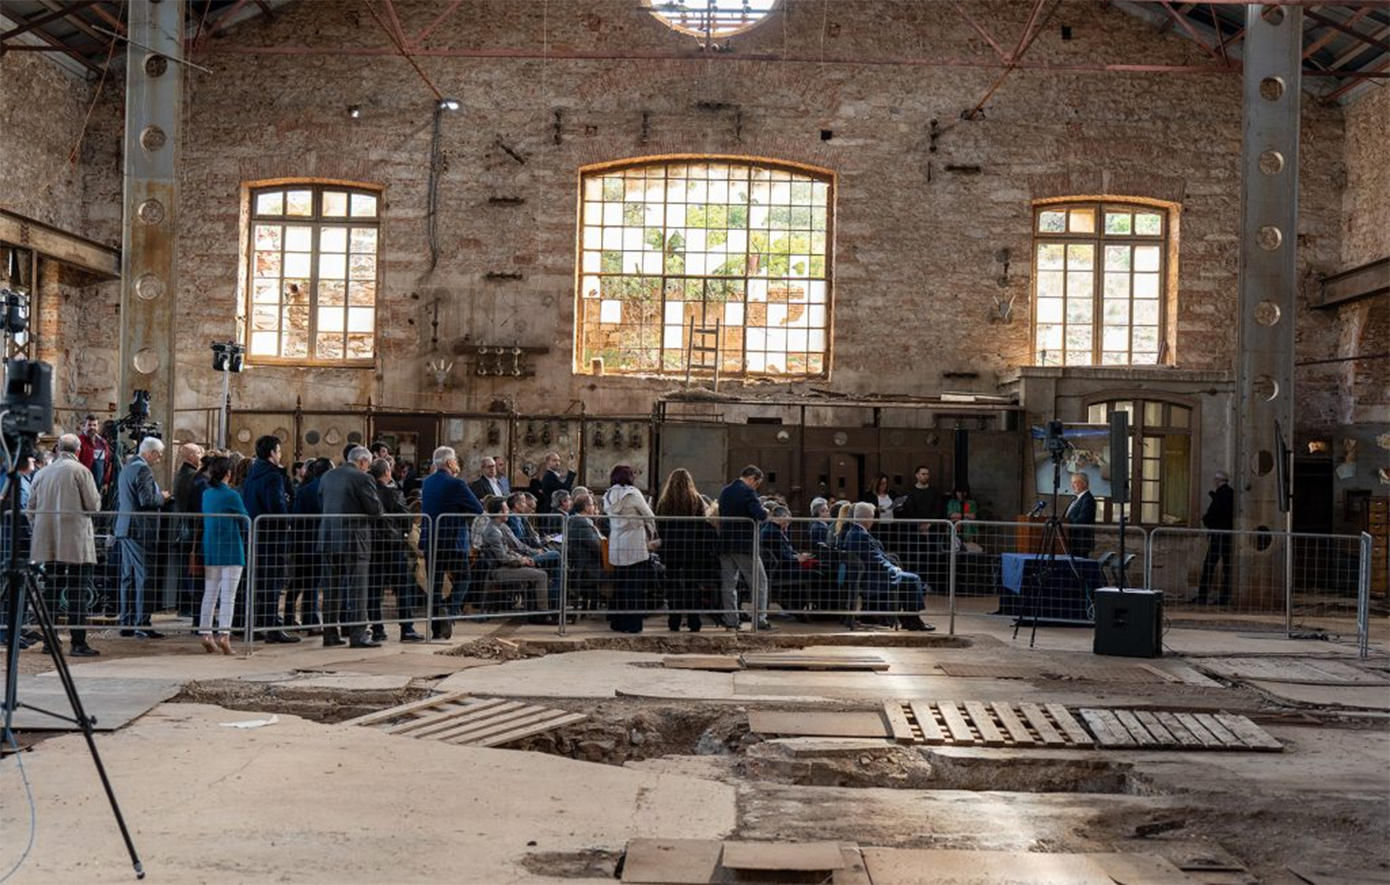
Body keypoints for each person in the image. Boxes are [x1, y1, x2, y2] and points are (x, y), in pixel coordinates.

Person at [28, 434, 103, 657]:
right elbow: (93, 505)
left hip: (48, 540)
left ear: (58, 449)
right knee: (77, 592)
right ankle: (78, 643)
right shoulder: (81, 471)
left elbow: (30, 508)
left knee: (51, 592)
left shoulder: (41, 473)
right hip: (75, 540)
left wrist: (41, 529)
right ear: (78, 450)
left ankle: (50, 643)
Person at [317, 446, 384, 648]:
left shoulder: (328, 476)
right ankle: (358, 634)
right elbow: (375, 509)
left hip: (328, 537)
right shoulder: (362, 478)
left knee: (331, 588)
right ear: (363, 461)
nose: (368, 469)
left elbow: (321, 501)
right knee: (358, 588)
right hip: (354, 540)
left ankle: (329, 634)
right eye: (368, 465)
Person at [419, 446, 483, 640]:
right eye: (455, 459)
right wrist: (460, 513)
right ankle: (450, 607)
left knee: (434, 584)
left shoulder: (427, 482)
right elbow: (478, 508)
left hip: (431, 538)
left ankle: (436, 629)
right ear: (449, 462)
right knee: (464, 576)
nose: (456, 462)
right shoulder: (457, 484)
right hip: (452, 539)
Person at [241, 435, 299, 644]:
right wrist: (287, 520)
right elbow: (277, 506)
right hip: (273, 536)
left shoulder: (252, 474)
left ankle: (258, 623)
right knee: (273, 582)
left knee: (259, 582)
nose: (280, 454)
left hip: (256, 534)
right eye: (279, 451)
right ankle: (273, 627)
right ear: (273, 453)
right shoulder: (273, 476)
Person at [840, 502, 933, 631]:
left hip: (871, 574)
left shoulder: (855, 532)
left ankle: (909, 619)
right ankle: (912, 620)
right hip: (873, 577)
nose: (873, 520)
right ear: (866, 518)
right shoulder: (860, 535)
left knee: (911, 580)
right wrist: (893, 568)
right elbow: (875, 560)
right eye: (872, 517)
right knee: (913, 579)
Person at [115, 436, 169, 638]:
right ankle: (142, 624)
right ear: (149, 452)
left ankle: (127, 622)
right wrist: (162, 497)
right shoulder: (143, 469)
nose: (160, 458)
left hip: (125, 528)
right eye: (159, 454)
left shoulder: (128, 467)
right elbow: (146, 500)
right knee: (144, 576)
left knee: (128, 578)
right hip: (139, 531)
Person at [654, 468, 716, 633]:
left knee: (673, 584)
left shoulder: (665, 502)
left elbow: (659, 526)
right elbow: (703, 525)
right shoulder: (696, 500)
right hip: (692, 549)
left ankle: (673, 621)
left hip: (672, 549)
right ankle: (694, 621)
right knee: (692, 585)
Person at [369, 457, 423, 642]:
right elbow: (407, 519)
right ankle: (406, 629)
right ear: (386, 472)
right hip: (393, 545)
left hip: (372, 546)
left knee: (374, 589)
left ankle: (377, 629)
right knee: (403, 587)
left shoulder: (367, 492)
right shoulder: (394, 493)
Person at [199, 456, 246, 655]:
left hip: (211, 547)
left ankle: (205, 633)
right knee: (228, 596)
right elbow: (245, 518)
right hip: (231, 548)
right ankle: (224, 635)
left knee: (209, 593)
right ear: (229, 473)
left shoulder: (207, 494)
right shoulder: (232, 496)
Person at [603, 464, 657, 634]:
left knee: (619, 584)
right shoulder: (633, 494)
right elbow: (649, 515)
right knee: (634, 586)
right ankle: (632, 624)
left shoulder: (609, 495)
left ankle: (617, 622)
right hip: (634, 544)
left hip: (617, 543)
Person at [476, 497, 549, 620]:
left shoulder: (501, 526)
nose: (508, 512)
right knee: (542, 575)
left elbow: (510, 550)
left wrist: (523, 558)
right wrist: (522, 561)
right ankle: (543, 614)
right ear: (499, 513)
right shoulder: (493, 531)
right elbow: (503, 558)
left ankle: (536, 609)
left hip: (508, 565)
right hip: (500, 571)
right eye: (506, 509)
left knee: (540, 567)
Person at [717, 465, 771, 631]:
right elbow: (759, 514)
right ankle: (760, 619)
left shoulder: (725, 491)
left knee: (729, 584)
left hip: (725, 544)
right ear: (752, 478)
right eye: (757, 484)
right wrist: (766, 511)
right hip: (744, 545)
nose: (756, 487)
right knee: (759, 582)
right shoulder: (747, 492)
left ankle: (731, 620)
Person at [287, 457, 331, 633]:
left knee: (297, 581)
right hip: (316, 540)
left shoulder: (303, 489)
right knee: (312, 582)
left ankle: (289, 616)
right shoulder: (323, 488)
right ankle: (310, 619)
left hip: (300, 540)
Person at [171, 443, 206, 621]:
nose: (202, 455)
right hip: (192, 529)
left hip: (182, 527)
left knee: (186, 569)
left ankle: (184, 606)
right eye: (199, 452)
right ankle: (190, 608)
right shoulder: (194, 478)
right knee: (193, 570)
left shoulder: (181, 475)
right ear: (191, 457)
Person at [760, 504, 813, 615]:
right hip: (778, 570)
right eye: (787, 521)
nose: (788, 524)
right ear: (782, 517)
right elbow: (783, 557)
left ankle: (793, 605)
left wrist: (798, 556)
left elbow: (786, 551)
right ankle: (795, 606)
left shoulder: (774, 529)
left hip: (781, 566)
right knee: (809, 573)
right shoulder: (773, 532)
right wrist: (797, 559)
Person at [1198, 470, 1235, 605]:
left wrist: (1207, 520)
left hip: (1218, 535)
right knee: (1227, 567)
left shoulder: (1220, 495)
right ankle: (1225, 596)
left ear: (1218, 481)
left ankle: (1202, 596)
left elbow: (1212, 515)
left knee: (1209, 565)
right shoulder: (1231, 494)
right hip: (1229, 536)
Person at [565, 492, 604, 612]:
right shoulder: (581, 523)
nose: (594, 508)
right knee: (621, 573)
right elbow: (597, 547)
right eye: (592, 505)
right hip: (588, 568)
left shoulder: (580, 521)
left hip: (587, 564)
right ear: (586, 508)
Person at [1063, 472, 1096, 559]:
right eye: (1072, 482)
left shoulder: (1088, 499)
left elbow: (1082, 520)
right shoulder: (1076, 499)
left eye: (1075, 482)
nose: (1072, 485)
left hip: (1079, 542)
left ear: (1084, 484)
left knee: (1079, 570)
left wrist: (1065, 525)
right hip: (1070, 540)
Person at [77, 414, 113, 493]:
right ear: (84, 426)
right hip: (83, 482)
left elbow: (107, 463)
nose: (92, 427)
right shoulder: (79, 442)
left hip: (99, 485)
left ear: (98, 427)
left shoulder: (103, 443)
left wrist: (106, 482)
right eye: (89, 425)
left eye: (94, 425)